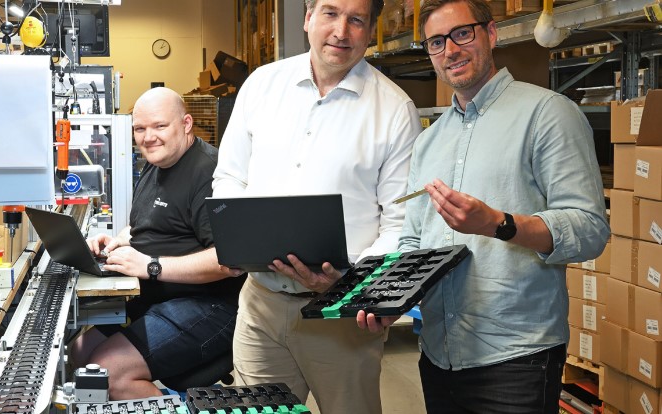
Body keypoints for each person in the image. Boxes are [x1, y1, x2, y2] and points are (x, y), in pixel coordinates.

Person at [357, 0, 610, 412]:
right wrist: (390, 298)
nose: (450, 51)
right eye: (436, 42)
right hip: (439, 353)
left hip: (516, 357)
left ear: (490, 34)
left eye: (462, 33)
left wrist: (498, 223)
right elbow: (413, 239)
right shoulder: (429, 140)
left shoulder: (547, 114)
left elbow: (588, 229)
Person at [212, 0, 421, 412]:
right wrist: (236, 239)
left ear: (369, 29)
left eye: (356, 20)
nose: (341, 31)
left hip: (340, 317)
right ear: (308, 18)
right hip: (261, 306)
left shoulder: (395, 110)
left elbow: (400, 223)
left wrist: (349, 289)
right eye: (330, 13)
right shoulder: (262, 86)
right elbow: (230, 177)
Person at [69, 87, 246, 400]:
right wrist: (116, 241)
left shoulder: (209, 175)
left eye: (160, 126)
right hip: (157, 297)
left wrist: (151, 266)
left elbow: (229, 260)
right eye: (140, 129)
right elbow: (145, 225)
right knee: (77, 357)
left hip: (208, 305)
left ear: (187, 124)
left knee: (108, 374)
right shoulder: (156, 163)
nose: (148, 137)